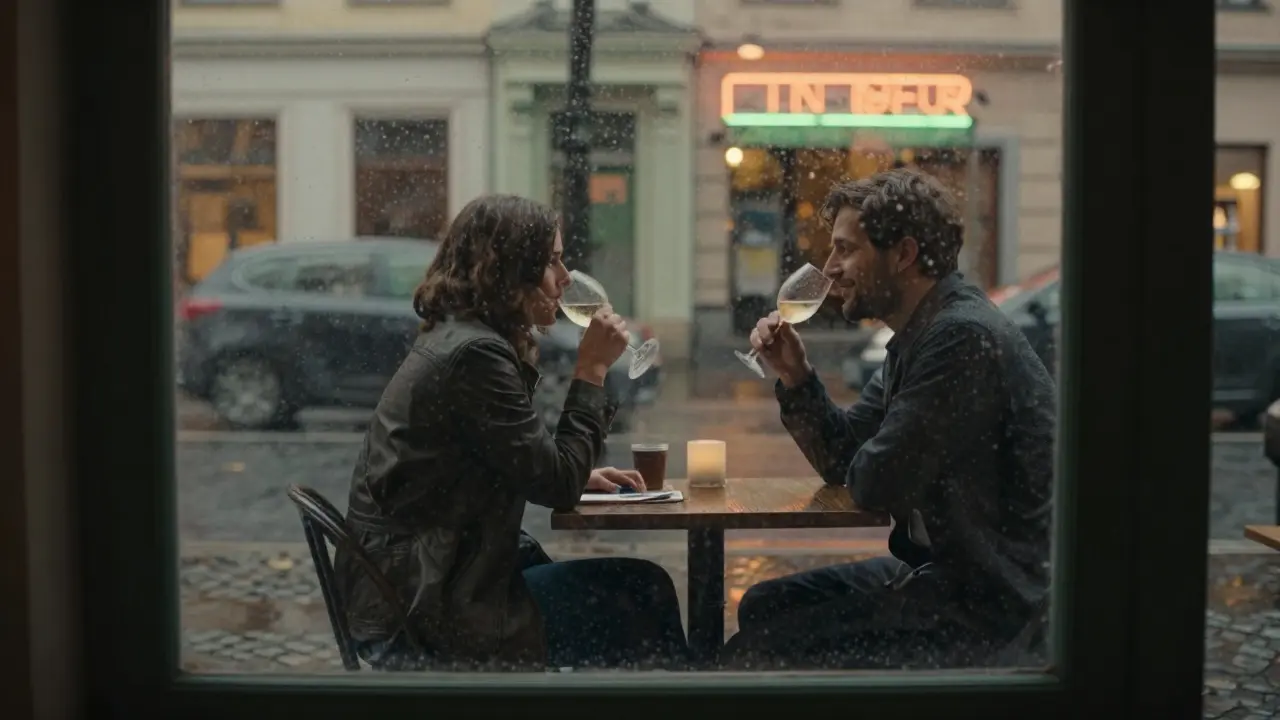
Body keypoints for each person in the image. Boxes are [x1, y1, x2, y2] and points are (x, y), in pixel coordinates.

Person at [334, 194, 689, 672]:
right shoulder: (475, 354)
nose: (565, 279)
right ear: (509, 270)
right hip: (428, 607)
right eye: (552, 262)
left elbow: (511, 460)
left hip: (421, 582)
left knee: (635, 589)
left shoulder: (464, 337)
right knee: (644, 591)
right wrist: (591, 369)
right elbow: (557, 484)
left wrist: (568, 468)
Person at [722, 168, 1055, 670]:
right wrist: (797, 376)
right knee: (763, 604)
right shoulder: (920, 336)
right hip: (945, 572)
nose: (830, 267)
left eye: (846, 249)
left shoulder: (960, 339)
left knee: (753, 653)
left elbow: (874, 482)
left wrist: (868, 456)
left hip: (987, 604)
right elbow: (844, 456)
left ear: (903, 254)